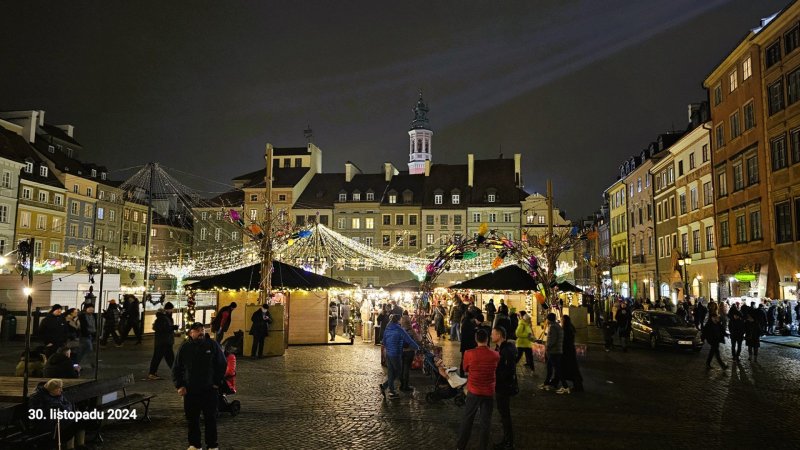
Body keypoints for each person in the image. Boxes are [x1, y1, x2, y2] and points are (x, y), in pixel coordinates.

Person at [173, 322, 228, 450]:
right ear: (191, 333)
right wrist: (179, 385)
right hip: (191, 390)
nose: (201, 332)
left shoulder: (212, 345)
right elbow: (176, 368)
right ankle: (195, 445)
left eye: (202, 329)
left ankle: (212, 445)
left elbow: (222, 364)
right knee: (192, 419)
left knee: (211, 418)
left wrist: (216, 382)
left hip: (209, 390)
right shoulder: (184, 347)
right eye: (197, 330)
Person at [456, 328, 500, 450]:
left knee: (467, 419)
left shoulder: (469, 353)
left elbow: (465, 369)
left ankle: (461, 445)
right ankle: (483, 446)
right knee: (486, 422)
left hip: (474, 391)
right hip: (489, 392)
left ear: (476, 340)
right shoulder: (495, 355)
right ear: (487, 339)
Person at [27, 378, 87, 450]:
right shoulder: (37, 397)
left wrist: (63, 410)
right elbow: (37, 414)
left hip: (61, 419)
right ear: (53, 389)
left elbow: (68, 405)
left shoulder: (58, 394)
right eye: (59, 388)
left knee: (80, 419)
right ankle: (71, 447)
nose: (61, 390)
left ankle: (80, 445)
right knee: (74, 422)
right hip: (48, 423)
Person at [379, 314, 419, 399]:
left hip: (388, 353)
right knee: (397, 372)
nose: (401, 321)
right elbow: (409, 340)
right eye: (400, 319)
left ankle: (386, 387)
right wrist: (417, 347)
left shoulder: (388, 328)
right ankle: (391, 391)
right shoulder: (399, 329)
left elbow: (384, 341)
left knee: (391, 372)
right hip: (396, 354)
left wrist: (388, 348)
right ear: (398, 320)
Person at [492, 326, 517, 450]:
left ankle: (508, 442)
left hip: (503, 387)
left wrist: (496, 376)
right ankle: (507, 440)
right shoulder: (501, 348)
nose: (491, 336)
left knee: (505, 415)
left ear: (500, 335)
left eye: (493, 334)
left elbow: (507, 370)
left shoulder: (506, 351)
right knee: (503, 415)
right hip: (501, 385)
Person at [149, 302, 179, 380]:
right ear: (167, 309)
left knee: (167, 358)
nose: (172, 311)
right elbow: (163, 328)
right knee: (162, 358)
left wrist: (172, 328)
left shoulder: (164, 317)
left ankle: (175, 372)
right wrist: (173, 327)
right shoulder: (163, 318)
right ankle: (176, 373)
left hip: (164, 341)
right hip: (164, 342)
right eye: (171, 309)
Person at [540, 313, 565, 393]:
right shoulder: (557, 325)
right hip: (556, 350)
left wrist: (547, 347)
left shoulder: (553, 327)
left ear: (548, 319)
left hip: (554, 351)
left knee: (557, 369)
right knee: (550, 368)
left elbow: (552, 340)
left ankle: (565, 386)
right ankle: (546, 383)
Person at [561, 315, 583, 392]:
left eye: (562, 319)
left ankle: (577, 385)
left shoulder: (566, 329)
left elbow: (564, 340)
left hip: (567, 351)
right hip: (570, 350)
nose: (561, 321)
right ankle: (577, 384)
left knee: (571, 368)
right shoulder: (570, 327)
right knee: (573, 368)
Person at [399, 311, 420, 392]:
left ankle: (401, 384)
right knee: (406, 369)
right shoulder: (411, 330)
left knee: (402, 368)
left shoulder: (400, 329)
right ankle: (405, 385)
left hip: (401, 351)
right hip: (409, 352)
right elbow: (418, 340)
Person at [77, 304, 97, 368]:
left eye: (92, 308)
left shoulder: (93, 316)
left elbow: (94, 325)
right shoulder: (82, 316)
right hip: (85, 336)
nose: (91, 309)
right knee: (90, 349)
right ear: (86, 309)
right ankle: (93, 364)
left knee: (82, 351)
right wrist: (87, 333)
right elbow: (83, 327)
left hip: (91, 335)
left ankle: (75, 363)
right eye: (89, 308)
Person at [460, 312, 478, 376]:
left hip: (464, 344)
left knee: (463, 359)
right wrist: (475, 329)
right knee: (467, 359)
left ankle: (462, 373)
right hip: (469, 344)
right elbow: (471, 333)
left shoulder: (464, 322)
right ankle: (464, 372)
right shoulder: (469, 324)